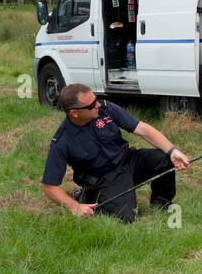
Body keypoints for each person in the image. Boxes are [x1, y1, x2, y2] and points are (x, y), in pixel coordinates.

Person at [41, 84, 190, 222]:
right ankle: (85, 197)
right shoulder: (62, 141)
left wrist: (172, 150)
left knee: (165, 159)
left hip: (129, 160)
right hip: (105, 178)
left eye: (96, 100)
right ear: (74, 113)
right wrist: (74, 207)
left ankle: (161, 205)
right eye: (92, 105)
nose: (97, 104)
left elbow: (142, 129)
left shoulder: (105, 109)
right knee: (126, 217)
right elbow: (49, 186)